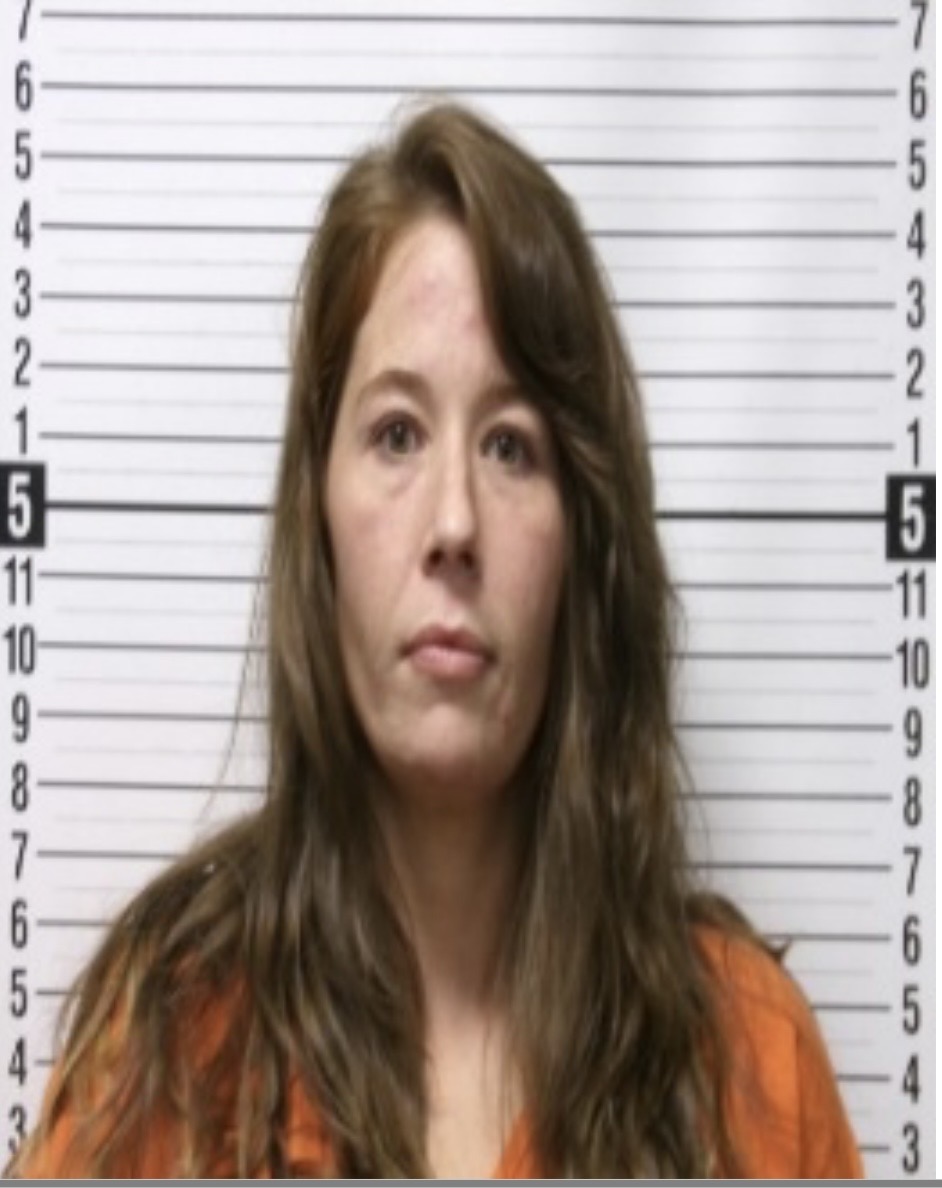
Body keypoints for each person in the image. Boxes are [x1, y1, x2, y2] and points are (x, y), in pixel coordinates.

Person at [9, 100, 863, 1179]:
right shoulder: (173, 1046)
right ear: (319, 518)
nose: (454, 522)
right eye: (397, 434)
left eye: (511, 447)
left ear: (582, 542)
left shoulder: (754, 1063)